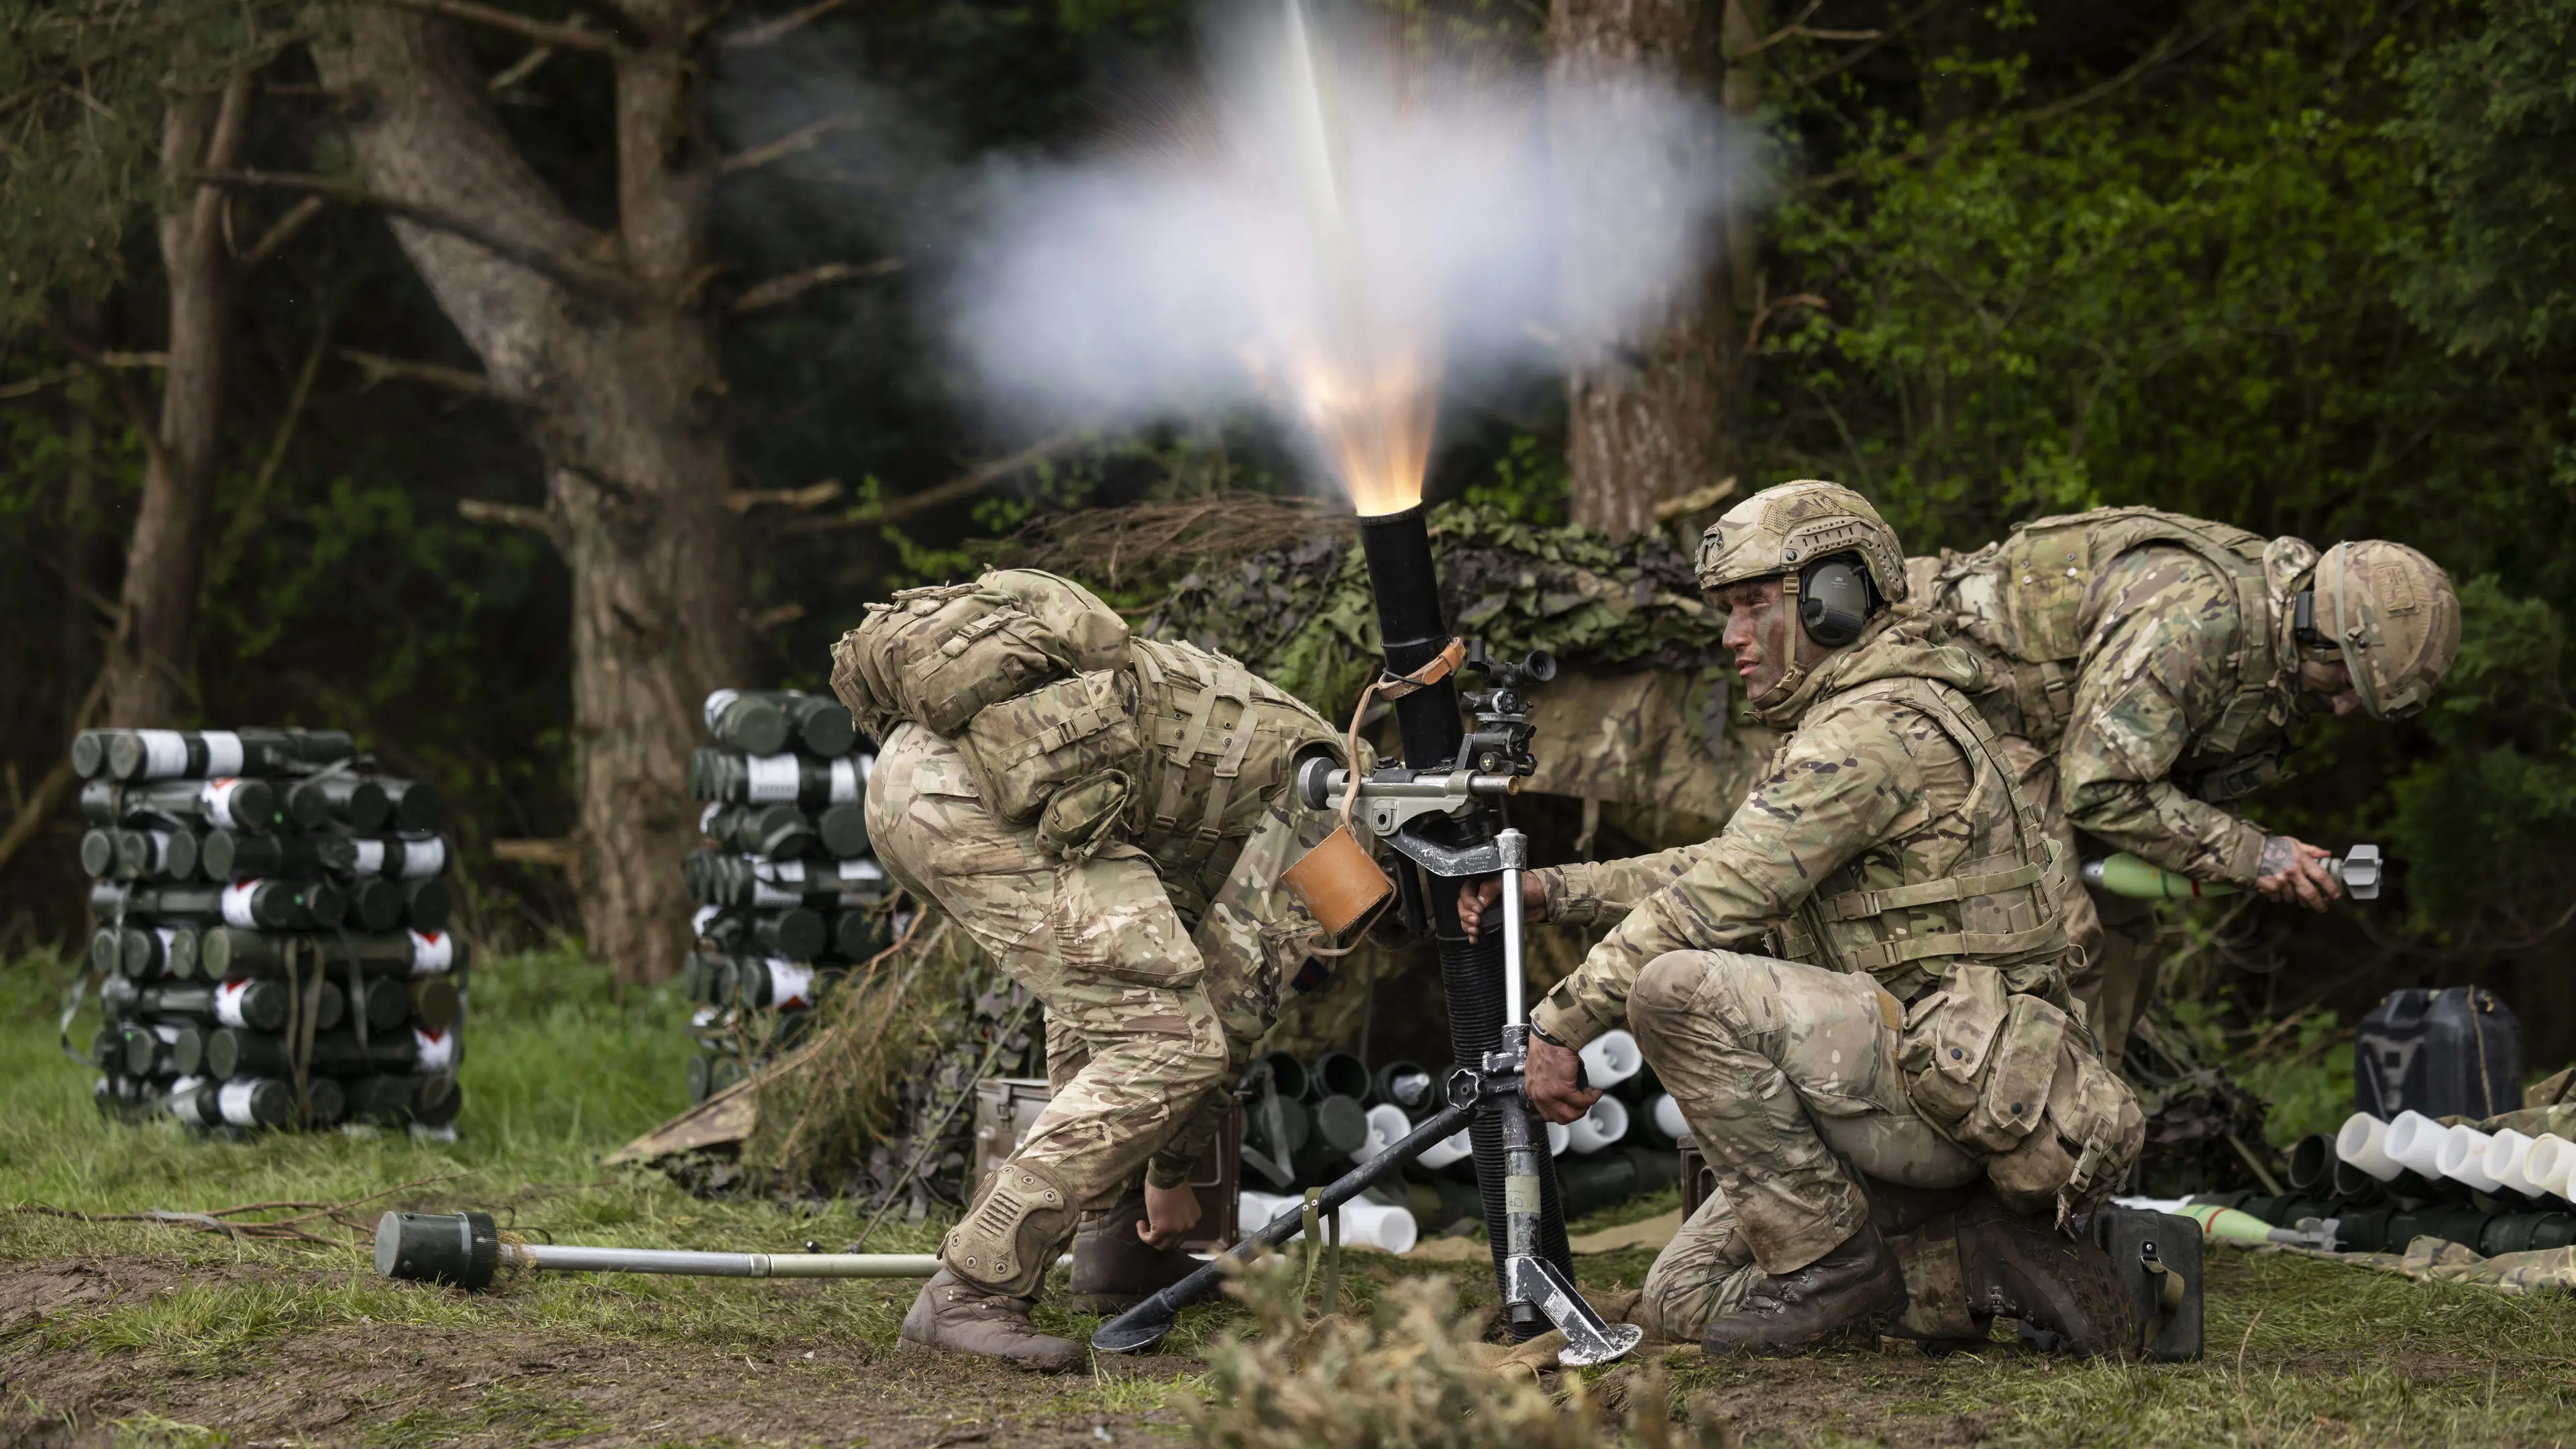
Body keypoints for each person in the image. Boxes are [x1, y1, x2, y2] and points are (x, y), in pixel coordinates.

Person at [1464, 481, 2144, 1355]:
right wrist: (1556, 892)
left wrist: (1557, 1026)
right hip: (1909, 1080)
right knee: (1681, 1304)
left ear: (1835, 600)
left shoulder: (1869, 735)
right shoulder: (1861, 717)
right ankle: (1970, 1266)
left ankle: (1835, 1259)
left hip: (1940, 1095)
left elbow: (1714, 902)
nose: (1731, 636)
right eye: (1727, 611)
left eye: (1754, 605)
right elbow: (1735, 862)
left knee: (1675, 990)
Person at [835, 569, 1344, 1371]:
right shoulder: (1344, 825)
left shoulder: (1291, 744)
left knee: (1124, 1011)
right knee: (1175, 1040)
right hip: (984, 796)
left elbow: (1101, 1005)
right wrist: (1173, 1179)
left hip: (916, 775)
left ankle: (1113, 1253)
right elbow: (1234, 1002)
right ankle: (972, 1286)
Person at [1903, 510, 2460, 1059]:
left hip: (2057, 741)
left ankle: (2090, 1120)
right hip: (1954, 697)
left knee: (2128, 944)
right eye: (2344, 681)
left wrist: (2253, 853)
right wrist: (2256, 854)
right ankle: (2018, 1129)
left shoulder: (2276, 627)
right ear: (2322, 633)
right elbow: (2100, 790)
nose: (2340, 706)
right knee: (2065, 945)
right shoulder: (2196, 622)